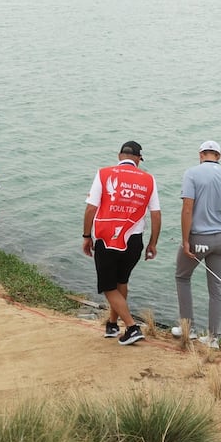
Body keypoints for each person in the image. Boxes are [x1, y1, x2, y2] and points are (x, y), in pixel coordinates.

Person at [82, 141, 162, 346]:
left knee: (108, 286)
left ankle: (132, 327)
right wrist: (153, 243)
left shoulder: (103, 174)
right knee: (121, 282)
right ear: (138, 159)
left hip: (107, 237)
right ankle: (112, 324)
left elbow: (91, 209)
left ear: (120, 156)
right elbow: (156, 214)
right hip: (134, 240)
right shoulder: (149, 179)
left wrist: (86, 236)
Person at [175, 140, 221, 350]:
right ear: (218, 156)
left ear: (201, 154)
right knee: (216, 288)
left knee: (182, 277)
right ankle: (213, 338)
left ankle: (188, 328)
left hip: (198, 238)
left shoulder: (192, 173)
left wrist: (186, 240)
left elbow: (187, 209)